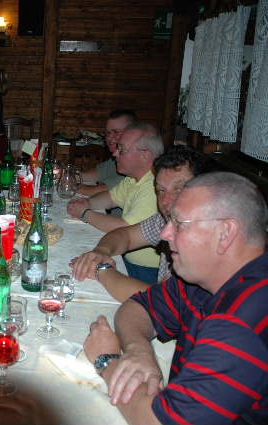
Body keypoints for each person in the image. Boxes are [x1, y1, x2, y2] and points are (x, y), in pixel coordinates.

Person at [83, 172, 268, 425]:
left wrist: (107, 360)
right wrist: (139, 351)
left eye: (179, 223)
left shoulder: (242, 322)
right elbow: (138, 306)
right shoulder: (203, 277)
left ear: (225, 233)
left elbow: (159, 421)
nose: (165, 233)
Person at [71, 146, 219, 301]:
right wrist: (101, 251)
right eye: (161, 190)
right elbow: (126, 235)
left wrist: (102, 269)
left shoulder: (207, 240)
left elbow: (163, 301)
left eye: (178, 189)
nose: (166, 201)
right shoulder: (166, 220)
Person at [67, 122, 163, 284]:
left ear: (145, 155)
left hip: (147, 272)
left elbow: (124, 228)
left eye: (122, 149)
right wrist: (87, 203)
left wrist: (85, 214)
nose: (115, 153)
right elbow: (111, 198)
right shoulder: (134, 178)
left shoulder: (153, 186)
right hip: (128, 260)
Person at [78, 109, 136, 197]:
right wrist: (64, 174)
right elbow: (90, 176)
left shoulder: (135, 162)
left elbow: (94, 191)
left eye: (116, 132)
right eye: (108, 133)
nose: (109, 137)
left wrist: (69, 183)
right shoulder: (115, 159)